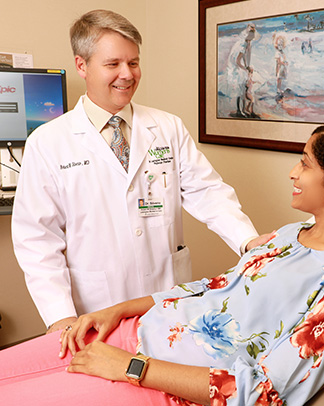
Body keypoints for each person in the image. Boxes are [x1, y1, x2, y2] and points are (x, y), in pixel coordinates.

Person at [0, 119, 324, 406]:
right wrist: (119, 310)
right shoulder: (286, 235)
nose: (293, 173)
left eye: (304, 163)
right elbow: (210, 289)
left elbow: (263, 393)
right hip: (131, 333)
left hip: (164, 383)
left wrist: (131, 368)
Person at [11, 9, 265, 335]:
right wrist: (59, 316)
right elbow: (37, 240)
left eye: (133, 62)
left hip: (165, 297)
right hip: (94, 308)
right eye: (113, 64)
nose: (127, 74)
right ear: (81, 65)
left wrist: (247, 240)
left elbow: (207, 191)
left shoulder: (166, 127)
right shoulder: (48, 143)